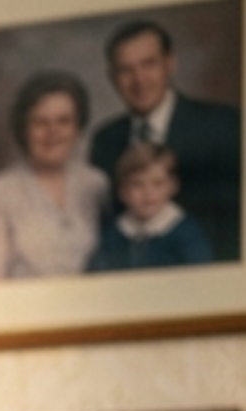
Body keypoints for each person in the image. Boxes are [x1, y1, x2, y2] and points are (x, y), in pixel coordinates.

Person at [86, 18, 242, 262]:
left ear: (170, 64)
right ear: (112, 77)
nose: (139, 80)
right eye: (126, 70)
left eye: (149, 64)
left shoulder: (224, 125)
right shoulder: (105, 140)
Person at [0, 70, 111, 280]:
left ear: (78, 127)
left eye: (63, 121)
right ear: (24, 129)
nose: (53, 132)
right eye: (40, 122)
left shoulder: (98, 184)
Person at [87, 140, 215, 270]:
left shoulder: (187, 234)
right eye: (137, 184)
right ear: (122, 192)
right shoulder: (114, 233)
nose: (148, 192)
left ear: (173, 186)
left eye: (157, 183)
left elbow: (200, 276)